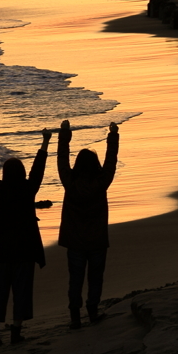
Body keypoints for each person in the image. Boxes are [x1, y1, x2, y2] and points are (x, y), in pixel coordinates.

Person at [0, 128, 52, 346]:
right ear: (22, 173)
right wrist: (45, 142)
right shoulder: (28, 188)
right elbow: (38, 170)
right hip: (23, 250)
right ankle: (15, 331)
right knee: (22, 291)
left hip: (0, 251)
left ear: (4, 173)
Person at [57, 119, 119, 329]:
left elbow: (62, 161)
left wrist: (64, 135)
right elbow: (111, 162)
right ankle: (93, 311)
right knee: (95, 277)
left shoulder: (70, 183)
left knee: (75, 279)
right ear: (95, 165)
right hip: (97, 240)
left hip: (75, 240)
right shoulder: (101, 183)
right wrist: (112, 136)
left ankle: (75, 316)